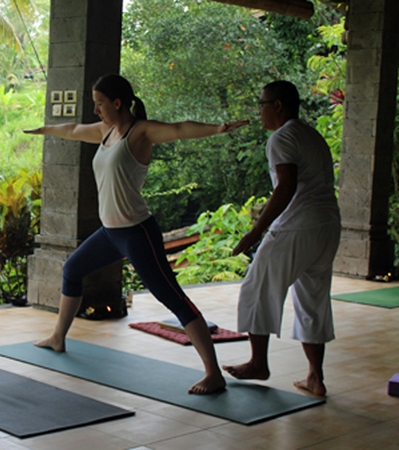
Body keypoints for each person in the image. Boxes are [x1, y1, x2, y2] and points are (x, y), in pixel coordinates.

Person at [24, 74, 248, 395]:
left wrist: (217, 128)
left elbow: (179, 129)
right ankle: (58, 338)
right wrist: (45, 130)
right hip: (110, 233)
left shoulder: (139, 132)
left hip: (137, 233)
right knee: (72, 269)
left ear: (118, 103)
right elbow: (73, 131)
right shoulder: (105, 132)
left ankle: (213, 373)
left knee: (172, 297)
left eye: (100, 104)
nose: (96, 110)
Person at [223, 81, 341, 397]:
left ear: (277, 105)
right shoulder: (311, 135)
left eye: (261, 103)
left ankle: (258, 363)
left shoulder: (282, 137)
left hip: (297, 225)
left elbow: (285, 186)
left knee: (257, 286)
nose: (258, 110)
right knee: (313, 298)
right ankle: (315, 377)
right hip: (328, 224)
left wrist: (256, 230)